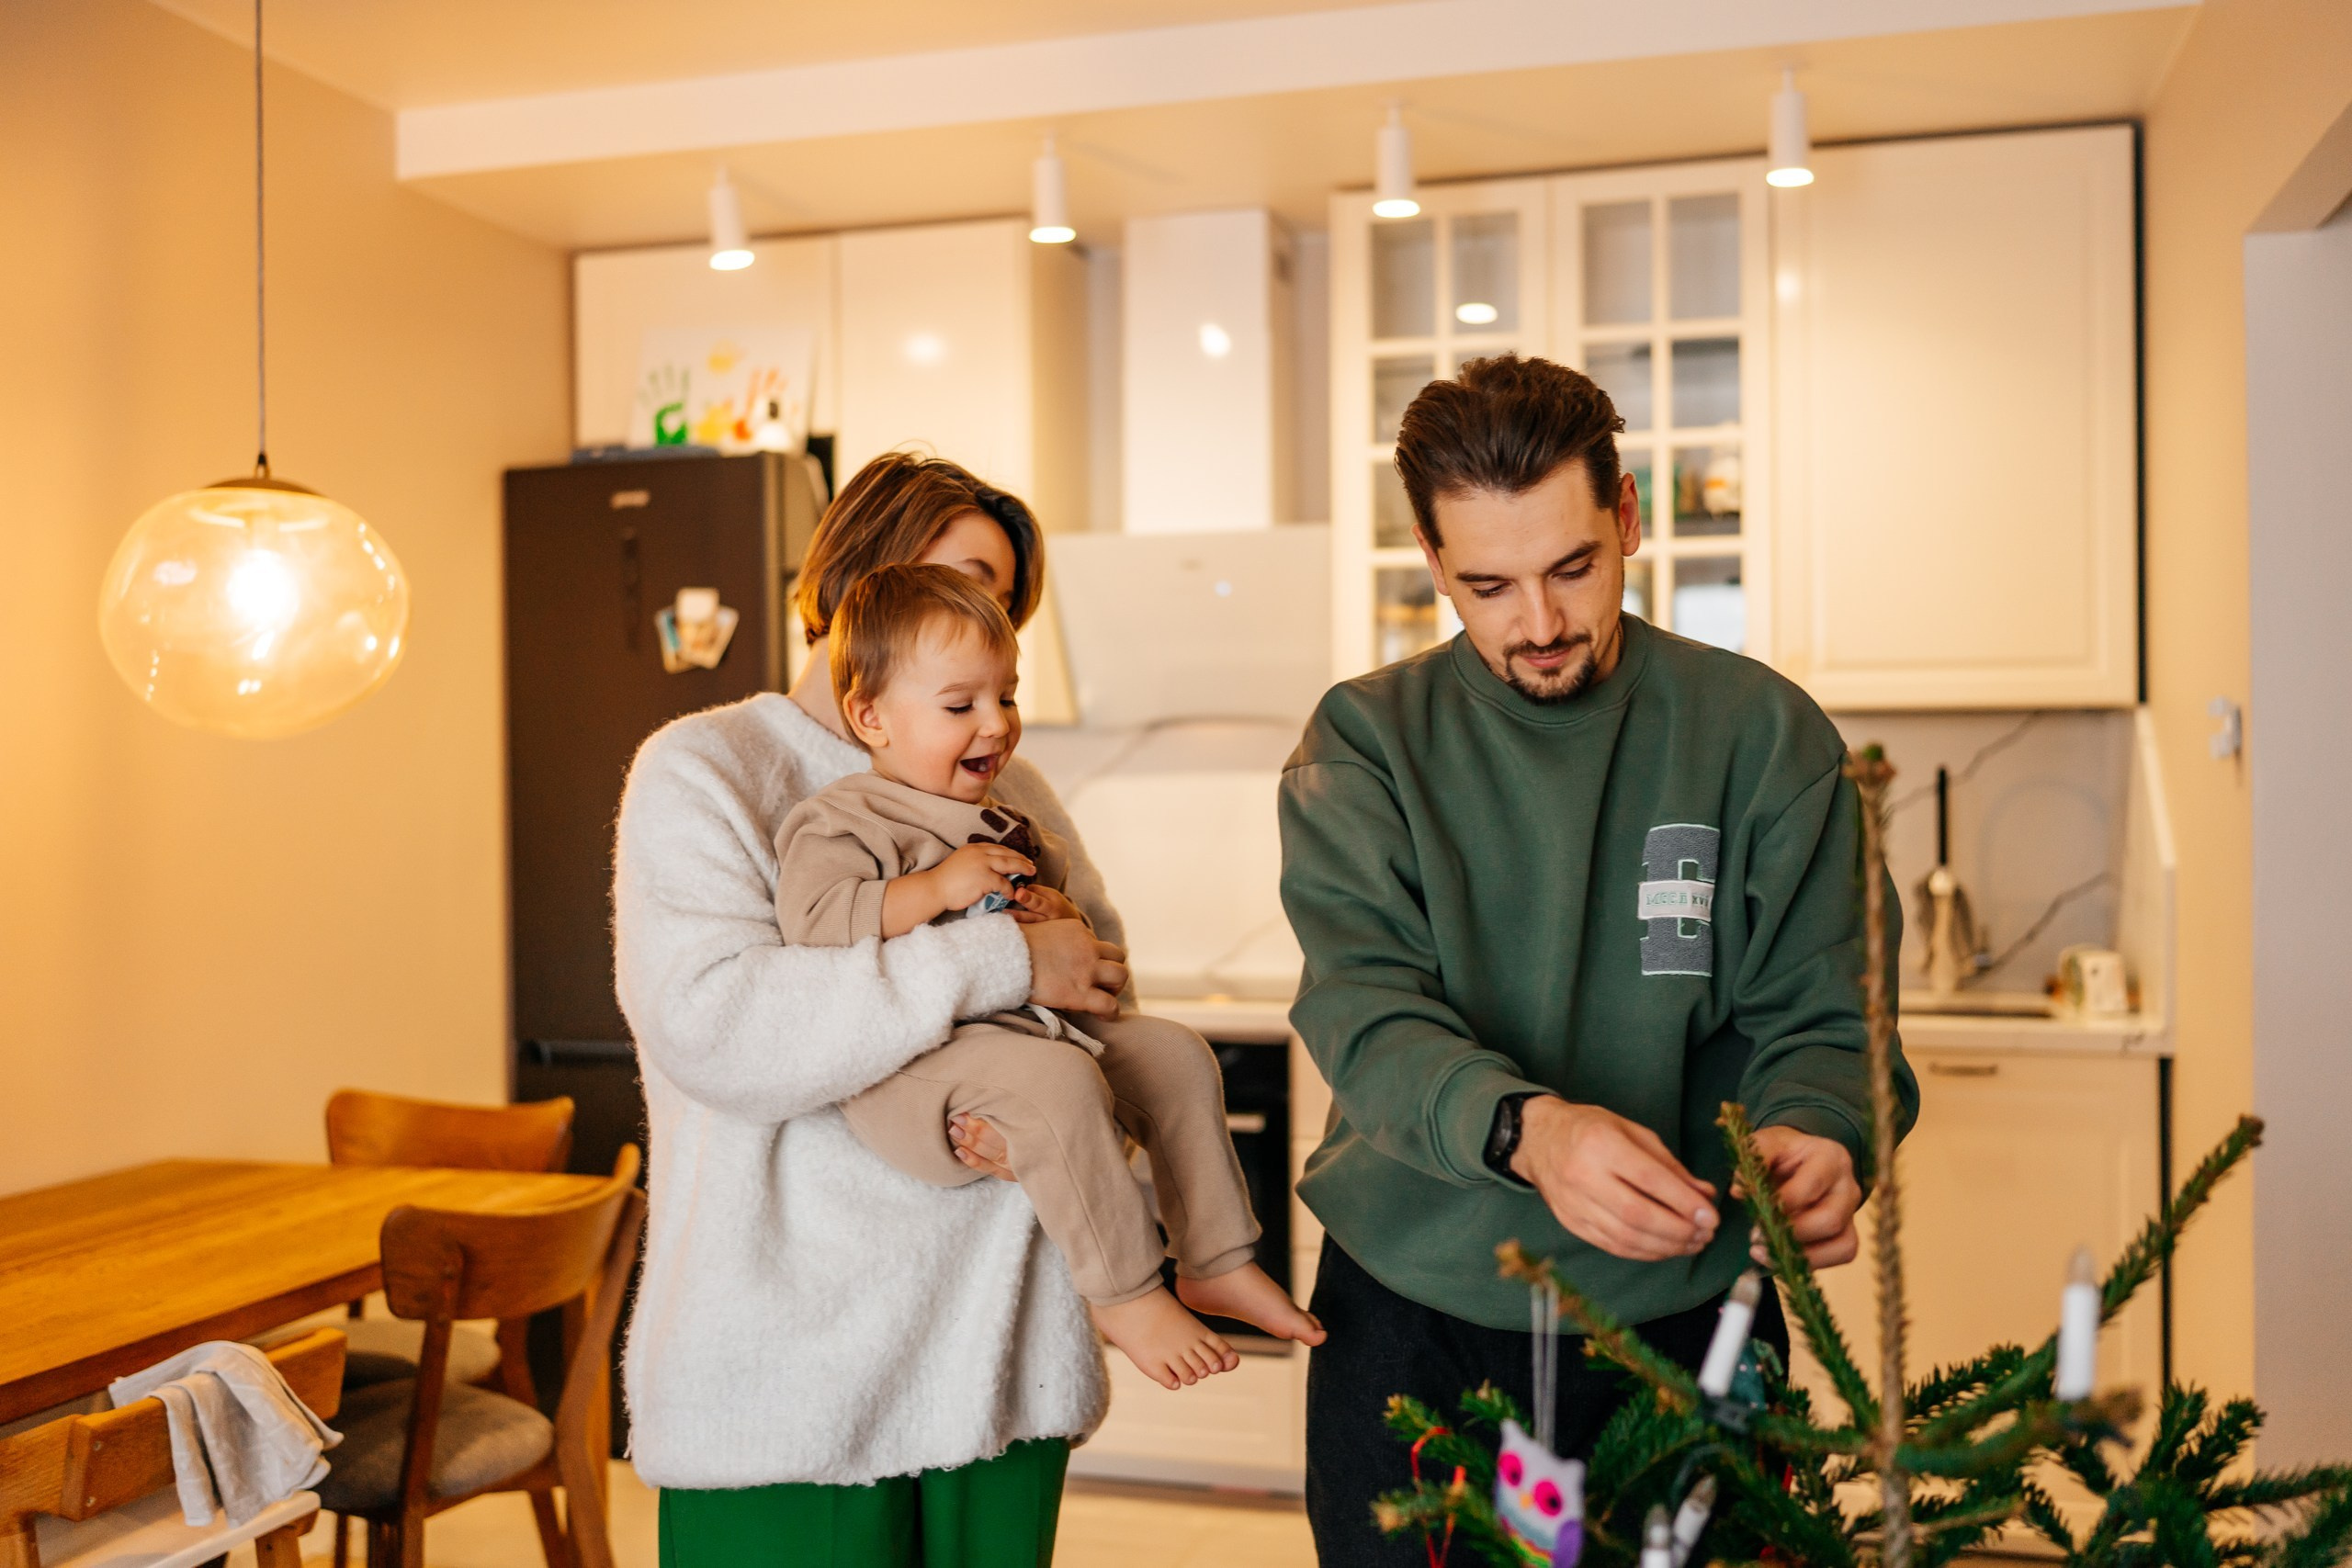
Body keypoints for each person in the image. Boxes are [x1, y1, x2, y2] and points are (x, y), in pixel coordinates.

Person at [1278, 355, 1918, 1563]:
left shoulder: (1764, 736)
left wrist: (1825, 1125)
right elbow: (1366, 1008)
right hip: (1416, 1311)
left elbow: (1835, 1010)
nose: (1541, 621)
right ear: (1431, 559)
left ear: (1627, 515)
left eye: (1573, 565)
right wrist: (1530, 1129)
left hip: (1691, 1313)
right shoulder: (1362, 742)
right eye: (1489, 583)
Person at [614, 454, 1131, 1568]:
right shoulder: (709, 769)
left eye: (995, 599)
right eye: (945, 576)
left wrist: (1053, 994)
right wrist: (999, 962)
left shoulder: (1010, 788)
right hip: (788, 1378)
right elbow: (722, 1026)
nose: (964, 617)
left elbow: (1096, 978)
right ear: (848, 581)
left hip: (1000, 1347)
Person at [771, 562, 1324, 1391]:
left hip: (1021, 1042)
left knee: (1175, 1053)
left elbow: (1069, 935)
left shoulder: (1003, 816)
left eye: (1008, 697)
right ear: (869, 715)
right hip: (913, 1071)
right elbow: (814, 925)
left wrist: (1053, 919)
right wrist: (935, 889)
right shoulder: (844, 817)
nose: (995, 725)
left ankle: (1215, 1254)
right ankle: (1128, 1292)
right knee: (1059, 1080)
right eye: (961, 706)